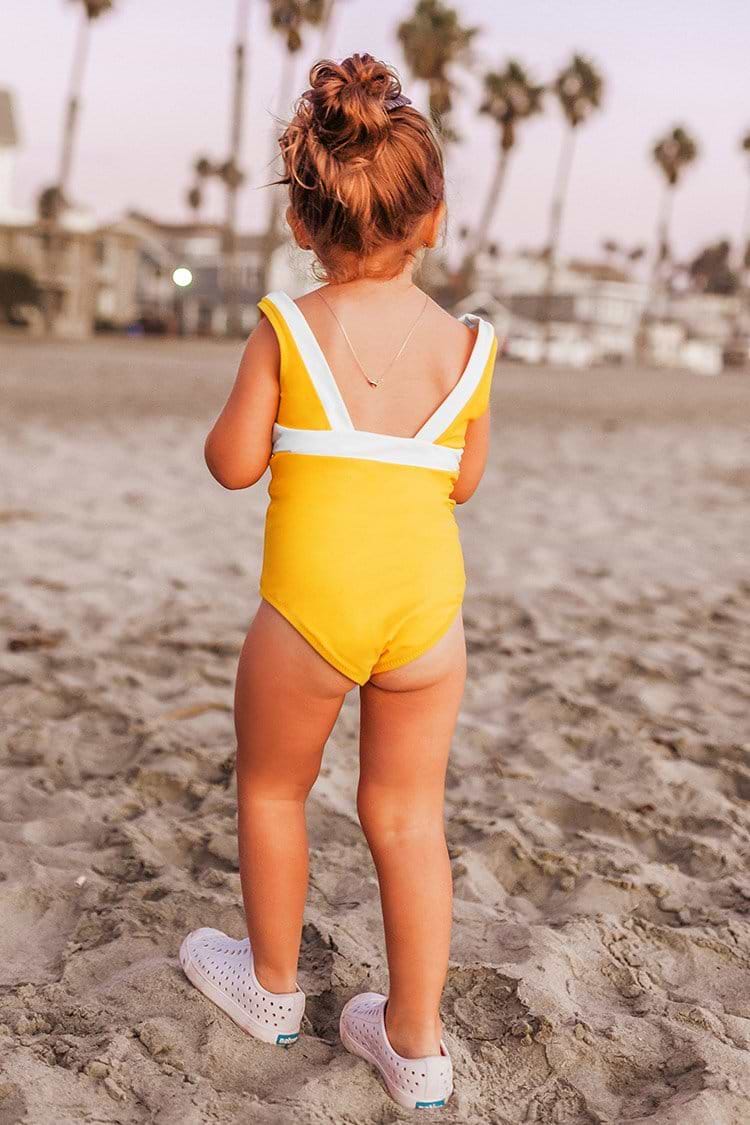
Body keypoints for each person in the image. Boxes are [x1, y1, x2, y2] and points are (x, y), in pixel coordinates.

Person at [179, 52, 498, 1111]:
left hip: (310, 617)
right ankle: (414, 1046)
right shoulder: (469, 349)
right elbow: (463, 481)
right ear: (435, 217)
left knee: (273, 787)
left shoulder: (286, 330)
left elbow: (232, 465)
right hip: (426, 620)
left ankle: (272, 989)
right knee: (409, 819)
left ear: (303, 225)